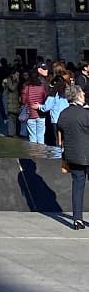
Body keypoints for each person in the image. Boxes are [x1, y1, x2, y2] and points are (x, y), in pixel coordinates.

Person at [57, 85, 89, 230]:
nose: (84, 95)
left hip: (72, 155)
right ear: (78, 96)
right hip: (87, 154)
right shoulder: (85, 114)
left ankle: (77, 219)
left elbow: (59, 137)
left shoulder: (63, 114)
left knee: (77, 185)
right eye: (82, 93)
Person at [39, 77, 70, 156]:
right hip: (67, 118)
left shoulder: (53, 93)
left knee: (57, 138)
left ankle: (58, 155)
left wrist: (39, 106)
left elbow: (46, 107)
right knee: (65, 137)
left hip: (56, 119)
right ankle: (65, 154)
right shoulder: (67, 93)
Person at [20, 68, 48, 146]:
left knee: (32, 136)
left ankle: (34, 154)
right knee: (41, 135)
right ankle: (41, 153)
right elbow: (45, 98)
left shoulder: (26, 87)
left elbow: (23, 101)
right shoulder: (42, 88)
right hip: (41, 113)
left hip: (30, 114)